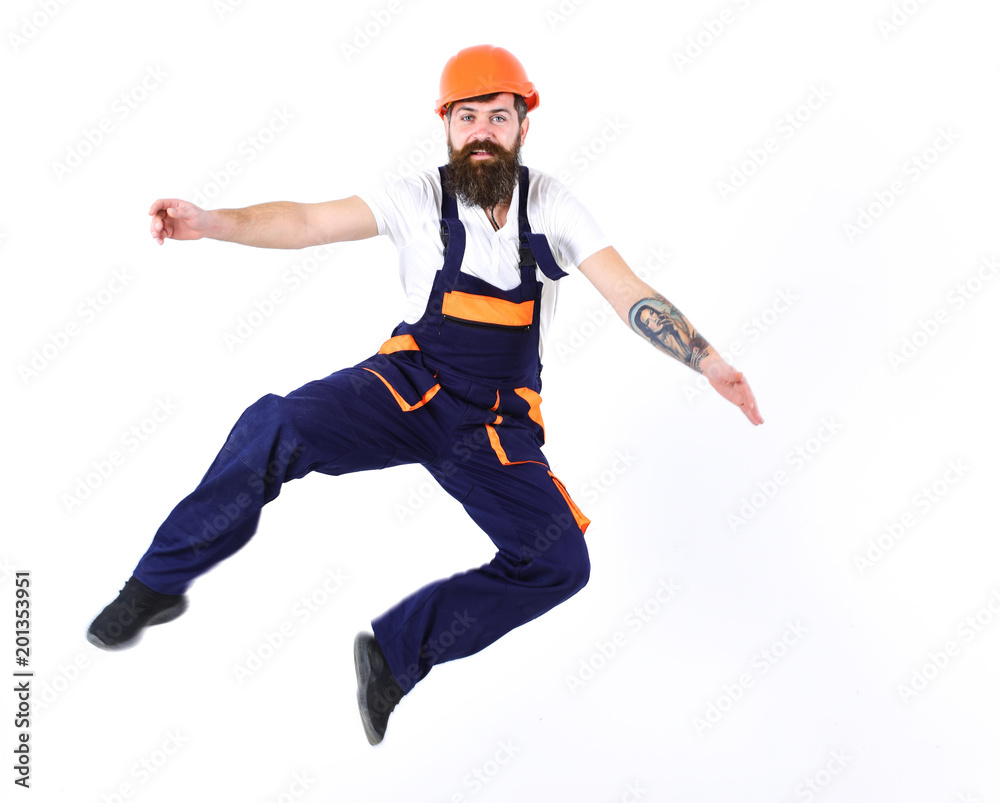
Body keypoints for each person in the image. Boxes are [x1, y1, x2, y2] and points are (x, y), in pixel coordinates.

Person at [87, 44, 763, 746]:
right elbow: (308, 222)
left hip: (496, 425)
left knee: (560, 563)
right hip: (406, 389)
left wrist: (707, 360)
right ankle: (155, 585)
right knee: (276, 424)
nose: (481, 131)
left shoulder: (553, 205)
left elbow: (626, 290)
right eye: (467, 117)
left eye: (497, 116)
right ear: (446, 124)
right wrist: (212, 222)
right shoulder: (416, 198)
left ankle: (395, 653)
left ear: (522, 124)